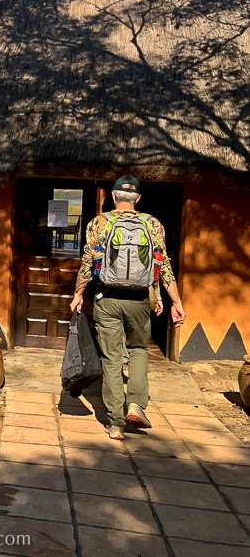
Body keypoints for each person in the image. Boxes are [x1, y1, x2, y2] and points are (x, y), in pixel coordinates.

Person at [70, 175, 185, 440]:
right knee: (139, 350)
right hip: (139, 300)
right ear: (138, 198)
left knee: (111, 359)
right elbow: (162, 265)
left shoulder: (99, 223)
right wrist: (174, 301)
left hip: (107, 299)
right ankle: (136, 405)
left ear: (113, 196)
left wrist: (78, 294)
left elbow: (88, 262)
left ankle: (115, 424)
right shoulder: (153, 224)